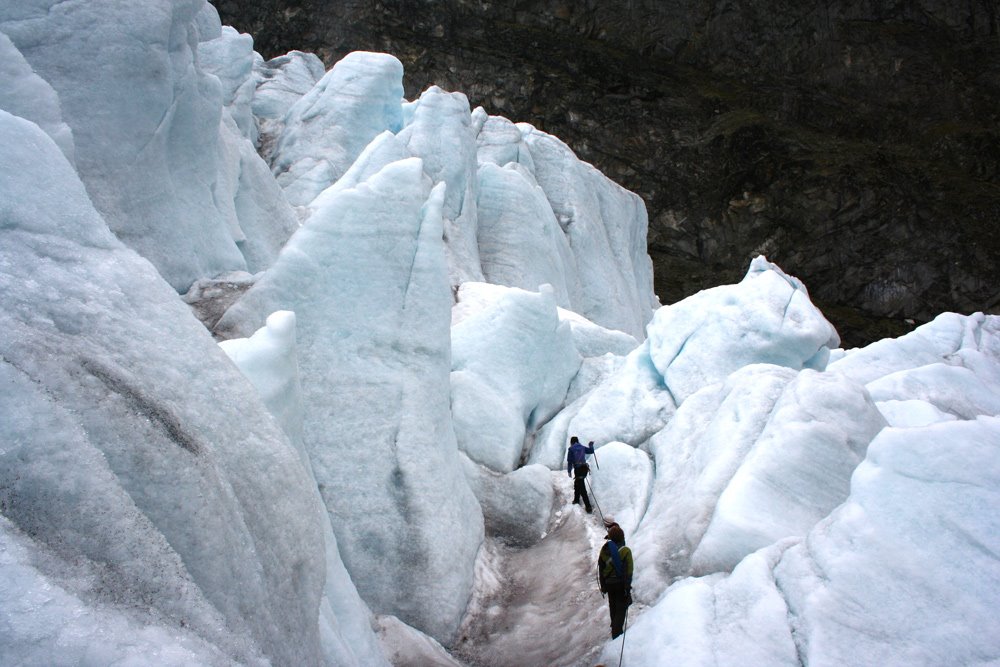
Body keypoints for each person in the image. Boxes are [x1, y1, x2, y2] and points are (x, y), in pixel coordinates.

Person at [597, 524, 633, 639]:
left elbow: (601, 569)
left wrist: (603, 586)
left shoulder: (604, 550)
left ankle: (614, 630)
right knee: (621, 608)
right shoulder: (625, 551)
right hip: (620, 585)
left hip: (609, 584)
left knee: (613, 606)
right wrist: (627, 588)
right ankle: (617, 634)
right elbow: (629, 571)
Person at [566, 436, 594, 513]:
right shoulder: (582, 447)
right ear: (577, 441)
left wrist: (569, 471)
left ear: (571, 442)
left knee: (582, 487)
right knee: (577, 483)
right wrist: (591, 445)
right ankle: (576, 500)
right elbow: (591, 451)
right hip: (584, 468)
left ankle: (588, 507)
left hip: (578, 469)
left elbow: (569, 462)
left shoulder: (571, 449)